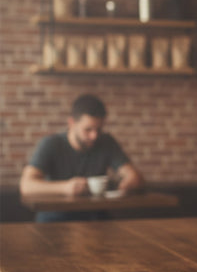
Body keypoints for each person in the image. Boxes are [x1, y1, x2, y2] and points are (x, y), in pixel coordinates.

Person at [20, 93, 144, 221]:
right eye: (88, 130)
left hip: (95, 219)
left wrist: (130, 181)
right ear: (71, 123)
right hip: (55, 218)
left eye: (98, 130)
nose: (94, 136)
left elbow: (132, 175)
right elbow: (26, 186)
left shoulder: (106, 142)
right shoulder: (51, 144)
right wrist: (65, 188)